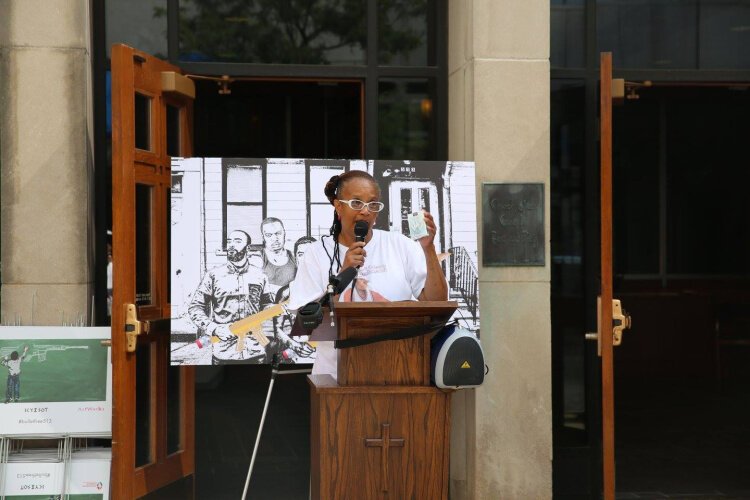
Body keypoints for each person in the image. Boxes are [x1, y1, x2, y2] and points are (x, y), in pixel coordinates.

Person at [289, 170, 448, 377]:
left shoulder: (400, 245)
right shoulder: (316, 253)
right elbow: (305, 323)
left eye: (372, 205)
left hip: (398, 369)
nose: (365, 211)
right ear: (338, 206)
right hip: (335, 374)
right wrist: (344, 273)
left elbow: (436, 301)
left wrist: (428, 248)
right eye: (356, 203)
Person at [188, 230, 274, 364]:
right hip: (224, 354)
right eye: (229, 241)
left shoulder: (260, 276)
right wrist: (214, 328)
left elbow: (268, 305)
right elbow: (195, 308)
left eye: (238, 241)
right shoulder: (213, 276)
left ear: (248, 248)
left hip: (255, 352)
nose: (232, 245)